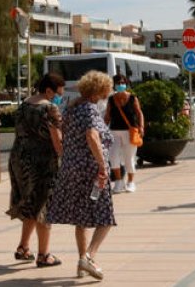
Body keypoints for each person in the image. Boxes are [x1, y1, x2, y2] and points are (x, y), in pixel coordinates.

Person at [46, 70, 116, 280]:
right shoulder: (89, 110)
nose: (108, 92)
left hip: (72, 168)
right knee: (105, 217)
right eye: (107, 89)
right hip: (90, 171)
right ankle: (89, 257)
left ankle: (81, 264)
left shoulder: (72, 107)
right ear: (98, 90)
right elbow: (92, 136)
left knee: (82, 219)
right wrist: (102, 167)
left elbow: (61, 132)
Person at [7, 73, 65, 268]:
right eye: (58, 93)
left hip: (19, 159)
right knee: (45, 207)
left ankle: (23, 247)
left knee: (30, 203)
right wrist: (63, 159)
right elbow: (57, 138)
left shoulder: (23, 105)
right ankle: (44, 255)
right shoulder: (50, 108)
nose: (59, 97)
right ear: (48, 90)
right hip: (43, 162)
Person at [104, 73, 145, 193]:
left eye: (123, 83)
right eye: (118, 83)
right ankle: (118, 181)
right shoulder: (111, 99)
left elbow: (139, 113)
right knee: (113, 157)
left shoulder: (132, 98)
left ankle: (131, 182)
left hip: (130, 132)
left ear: (126, 84)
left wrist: (141, 127)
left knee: (129, 158)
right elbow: (107, 116)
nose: (121, 85)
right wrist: (102, 128)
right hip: (114, 131)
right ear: (114, 85)